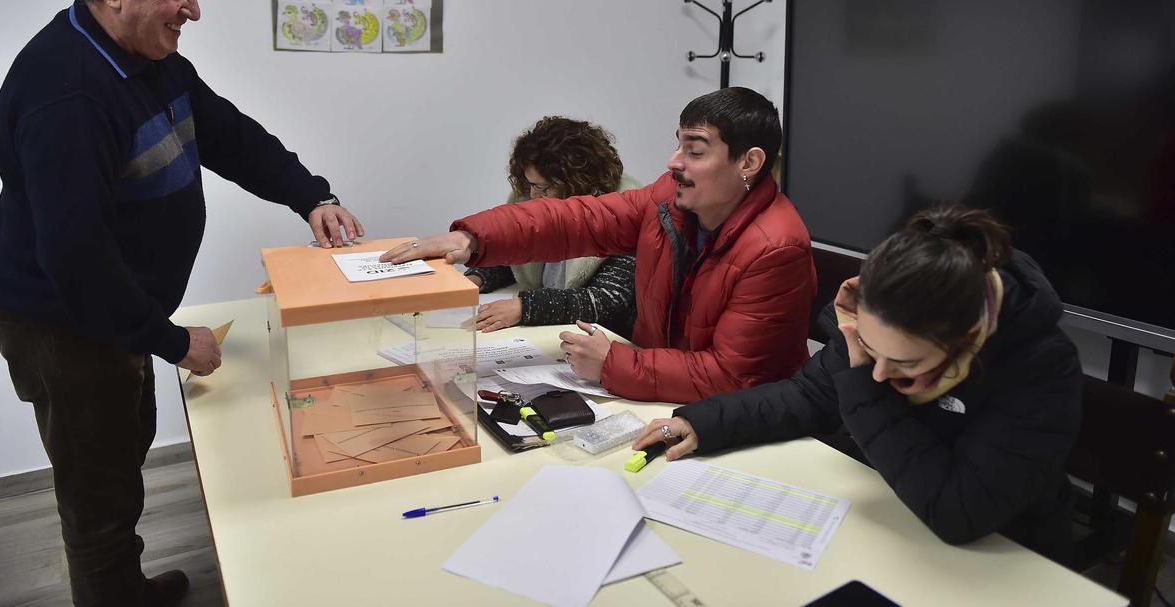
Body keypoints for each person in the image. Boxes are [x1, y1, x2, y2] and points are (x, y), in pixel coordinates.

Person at [0, 0, 363, 607]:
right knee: (98, 487)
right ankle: (112, 591)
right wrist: (174, 342)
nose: (195, 9)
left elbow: (232, 138)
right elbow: (76, 259)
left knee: (122, 451)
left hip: (112, 306)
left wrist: (312, 196)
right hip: (61, 320)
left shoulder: (149, 60)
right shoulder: (67, 93)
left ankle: (127, 586)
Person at [634, 206, 1083, 564]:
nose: (881, 373)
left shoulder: (1040, 365)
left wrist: (862, 379)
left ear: (964, 341)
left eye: (904, 362)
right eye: (871, 348)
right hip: (895, 515)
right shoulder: (878, 309)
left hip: (1003, 552)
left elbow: (958, 513)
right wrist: (708, 421)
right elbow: (810, 394)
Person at [384, 87, 816, 403]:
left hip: (738, 417)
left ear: (749, 162)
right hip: (664, 396)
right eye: (678, 144)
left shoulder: (776, 248)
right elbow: (578, 220)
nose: (674, 161)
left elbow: (732, 375)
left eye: (695, 151)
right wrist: (474, 237)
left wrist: (613, 364)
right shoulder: (670, 197)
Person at [464, 116, 638, 337]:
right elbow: (515, 260)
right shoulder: (528, 197)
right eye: (530, 185)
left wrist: (526, 308)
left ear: (577, 184)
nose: (533, 196)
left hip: (600, 341)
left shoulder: (623, 214)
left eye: (543, 188)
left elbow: (605, 300)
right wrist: (475, 279)